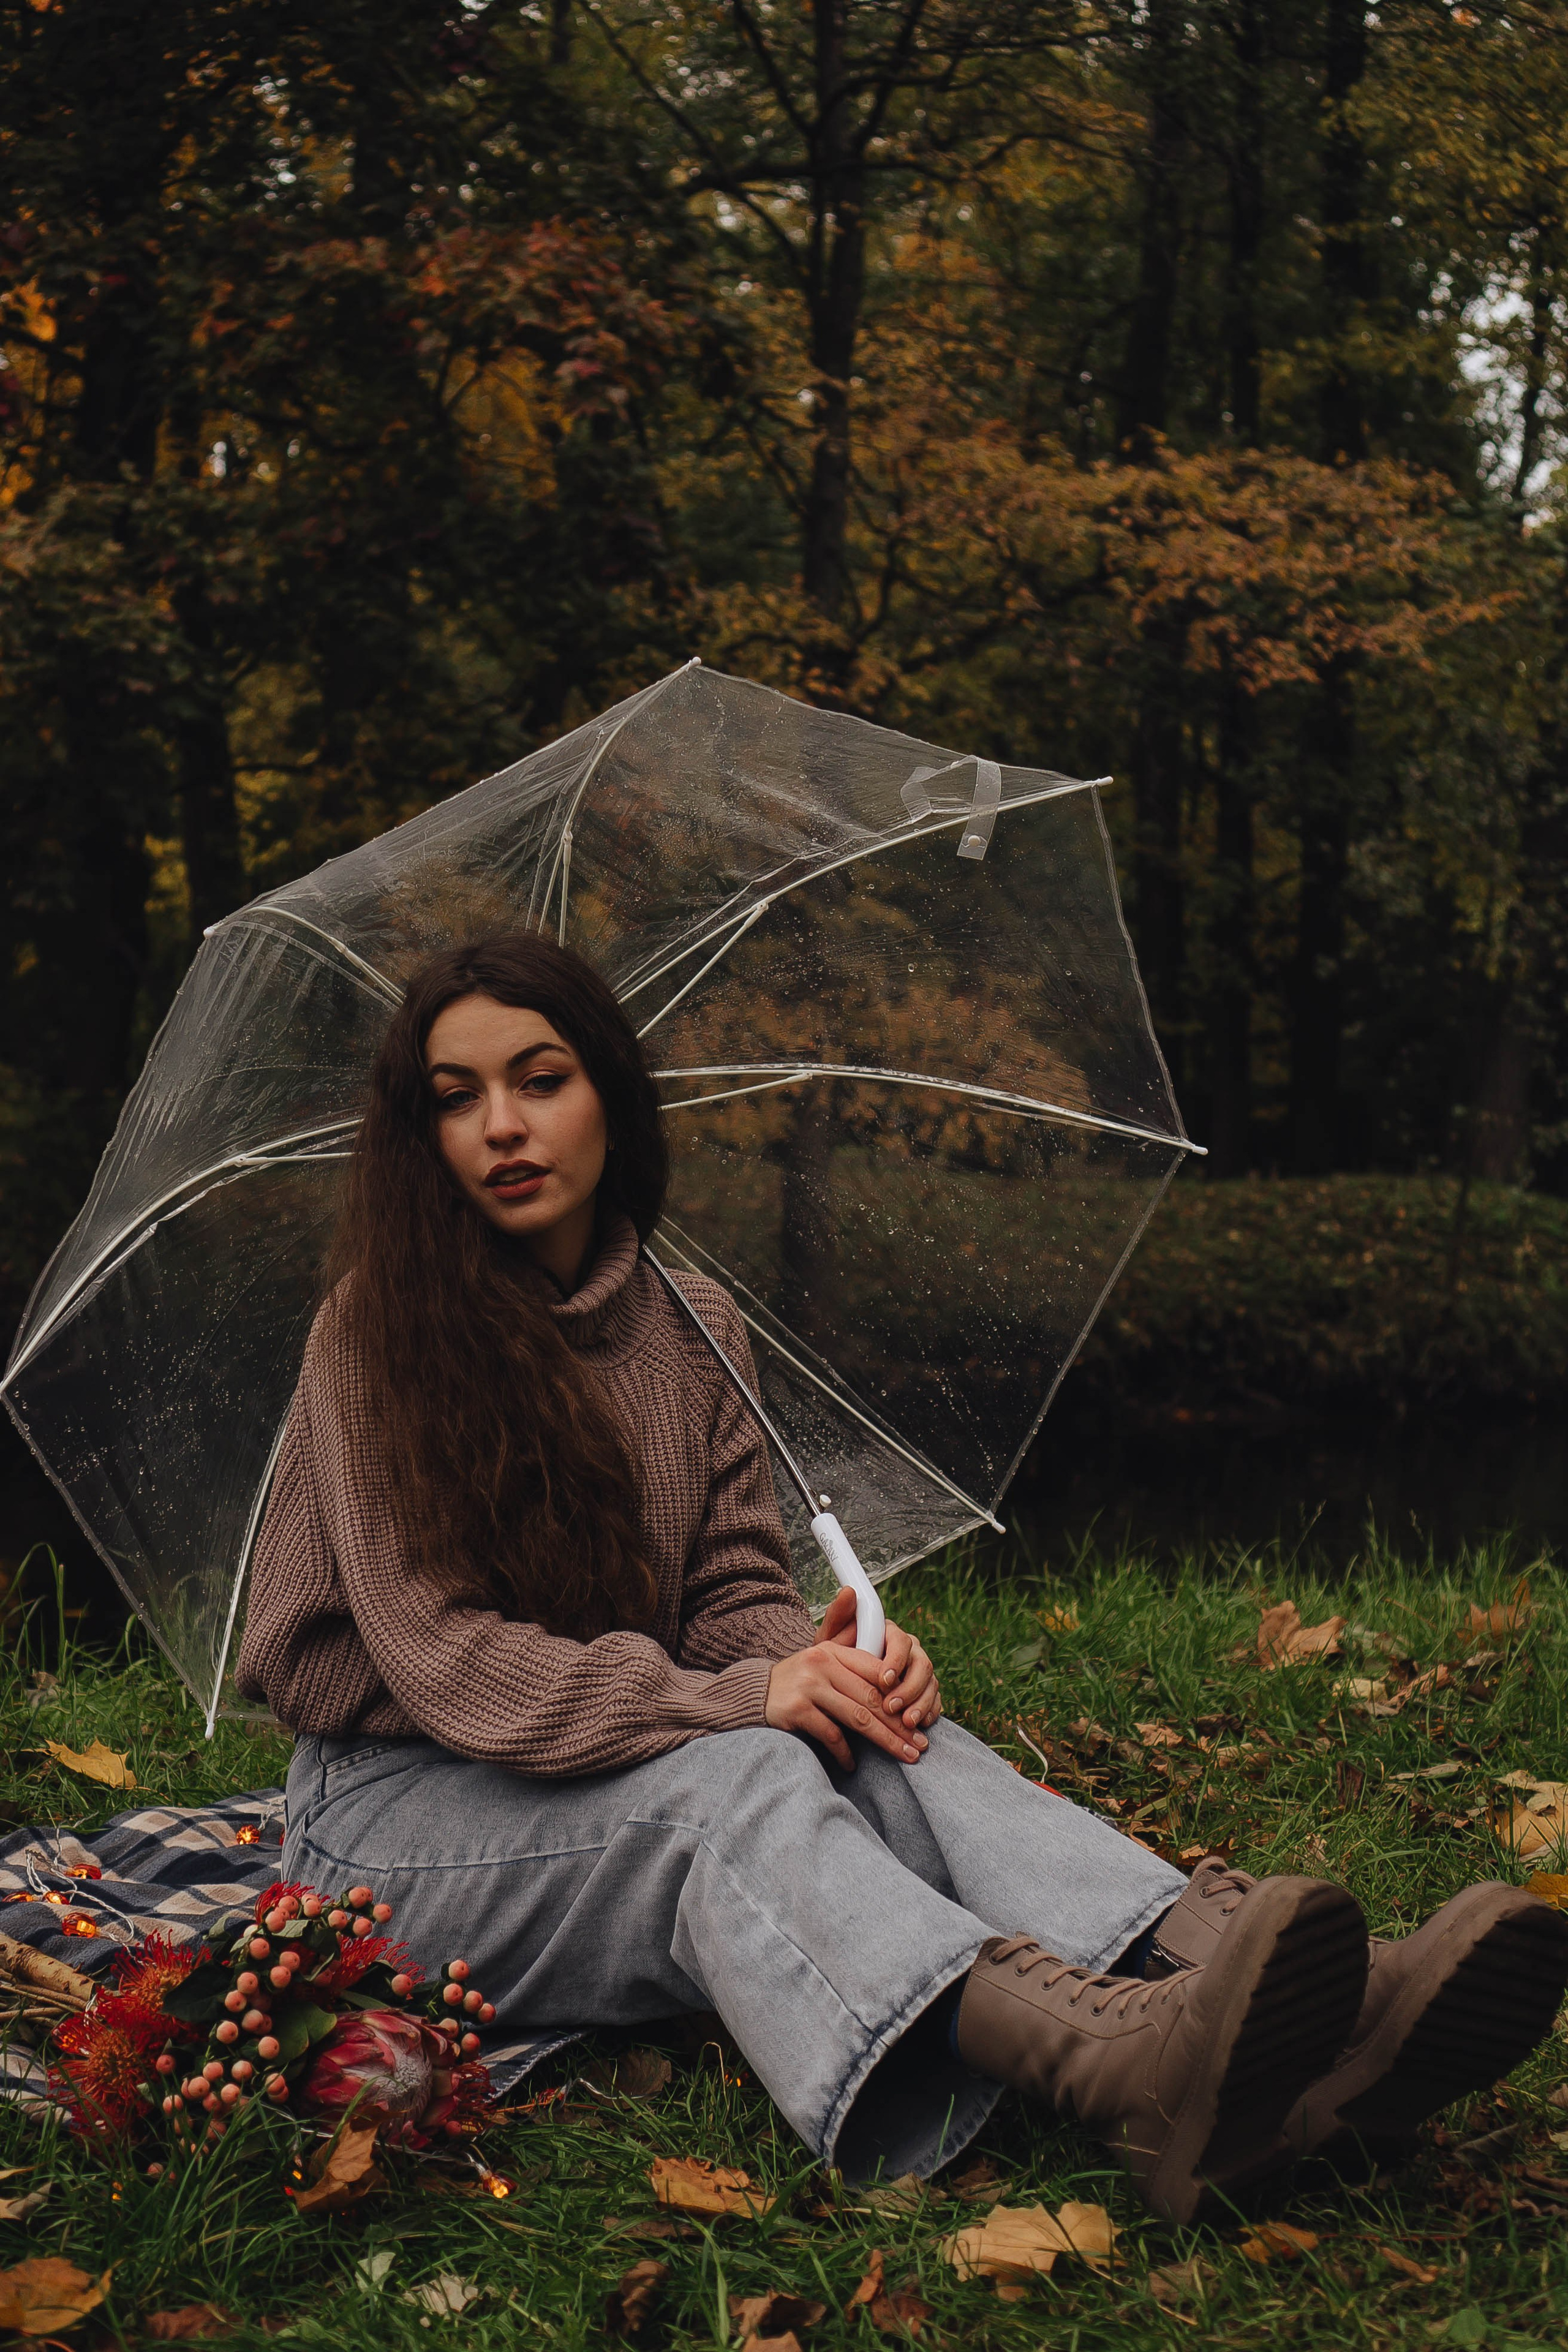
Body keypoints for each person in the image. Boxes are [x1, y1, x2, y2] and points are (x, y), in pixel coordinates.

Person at [236, 930, 1568, 2217]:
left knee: (876, 1735)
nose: (502, 1127)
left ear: (608, 1095)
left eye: (540, 1079)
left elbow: (724, 1602)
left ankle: (1288, 2004)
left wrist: (809, 1665)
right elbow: (443, 1658)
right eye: (455, 1099)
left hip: (605, 1759)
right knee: (735, 1776)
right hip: (396, 1827)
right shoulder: (377, 1331)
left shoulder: (695, 1328)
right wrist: (741, 1703)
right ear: (423, 1137)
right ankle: (1109, 2061)